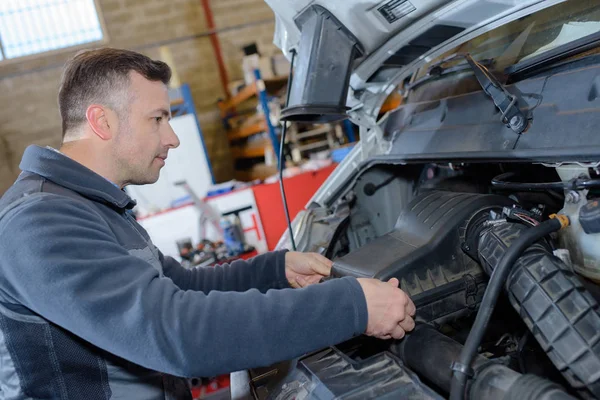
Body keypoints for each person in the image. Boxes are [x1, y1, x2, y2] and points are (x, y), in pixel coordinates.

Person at [0, 48, 415, 399]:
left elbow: (180, 287)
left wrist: (275, 269)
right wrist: (351, 306)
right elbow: (174, 332)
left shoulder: (93, 205)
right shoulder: (40, 221)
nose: (172, 138)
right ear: (102, 121)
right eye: (158, 119)